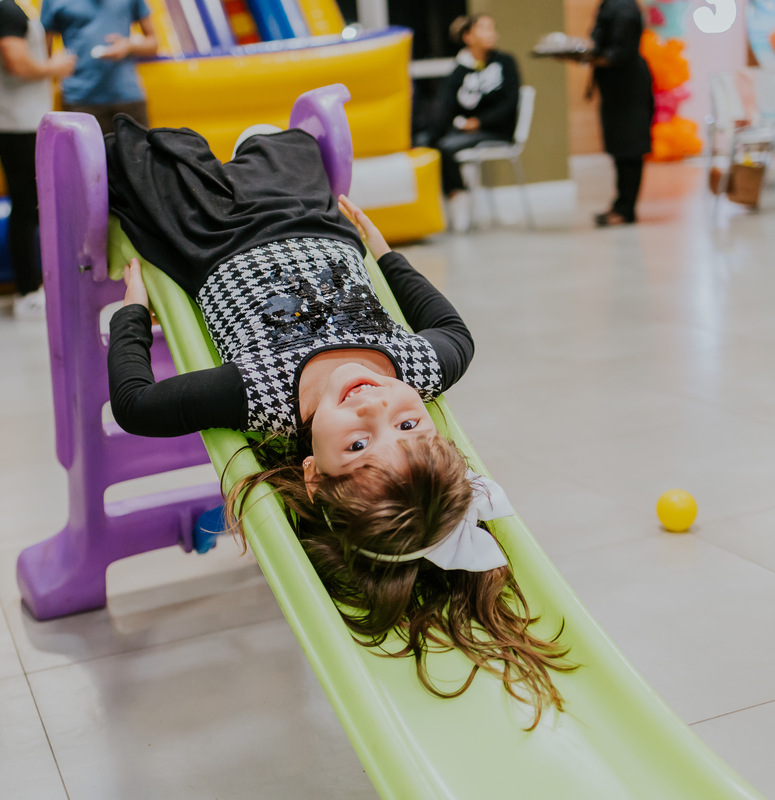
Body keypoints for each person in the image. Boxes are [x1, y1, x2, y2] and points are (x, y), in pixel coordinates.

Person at [104, 117, 573, 722]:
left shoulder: (263, 395)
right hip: (313, 220)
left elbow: (136, 404)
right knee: (284, 141)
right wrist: (386, 253)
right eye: (409, 427)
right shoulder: (414, 366)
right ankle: (263, 145)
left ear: (314, 473)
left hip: (211, 237)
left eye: (357, 444)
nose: (378, 407)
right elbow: (457, 333)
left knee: (140, 149)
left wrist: (132, 314)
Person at [0, 0, 76, 320]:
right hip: (18, 124)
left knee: (26, 207)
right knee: (28, 208)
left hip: (7, 121)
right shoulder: (7, 10)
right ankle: (29, 291)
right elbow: (15, 62)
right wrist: (55, 67)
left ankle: (30, 288)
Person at [428, 14, 522, 233]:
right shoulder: (461, 69)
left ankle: (460, 196)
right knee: (431, 142)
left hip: (497, 130)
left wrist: (479, 122)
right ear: (468, 36)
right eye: (484, 29)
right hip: (467, 131)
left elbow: (510, 103)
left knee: (446, 147)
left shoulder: (505, 62)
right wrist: (434, 133)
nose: (491, 34)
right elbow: (448, 106)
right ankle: (453, 196)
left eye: (492, 28)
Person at [586, 0, 655, 227]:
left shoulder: (624, 7)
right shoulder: (610, 4)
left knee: (630, 148)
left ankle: (626, 208)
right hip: (615, 87)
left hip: (629, 86)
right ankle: (620, 204)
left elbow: (620, 51)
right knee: (618, 147)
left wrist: (592, 58)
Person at [40, 0, 157, 132]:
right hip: (80, 100)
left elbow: (153, 43)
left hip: (128, 97)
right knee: (85, 153)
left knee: (139, 151)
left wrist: (129, 46)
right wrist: (55, 65)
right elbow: (44, 55)